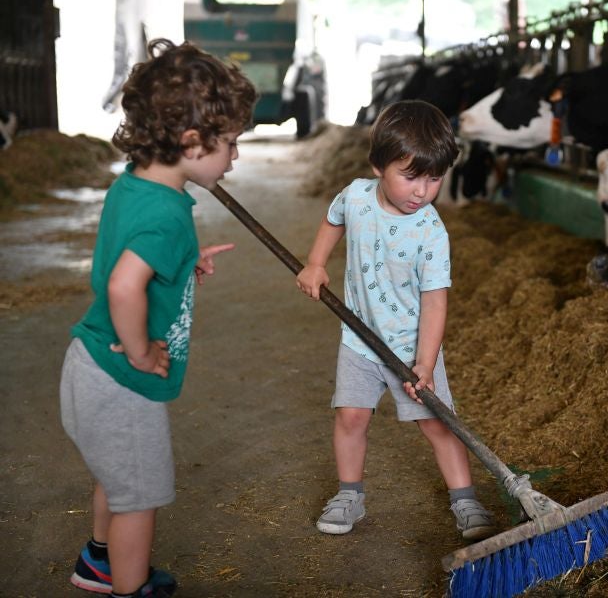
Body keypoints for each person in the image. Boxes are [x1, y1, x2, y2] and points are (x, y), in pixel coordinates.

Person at [60, 39, 256, 598]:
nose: (235, 157)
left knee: (116, 480)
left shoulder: (135, 183)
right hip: (121, 378)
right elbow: (124, 284)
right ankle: (130, 587)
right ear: (193, 143)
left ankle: (98, 562)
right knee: (139, 500)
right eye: (232, 144)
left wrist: (178, 263)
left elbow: (131, 254)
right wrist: (143, 352)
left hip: (88, 363)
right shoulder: (169, 215)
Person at [296, 99, 496, 541]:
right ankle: (350, 494)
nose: (422, 191)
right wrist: (315, 263)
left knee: (438, 424)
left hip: (412, 347)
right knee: (350, 417)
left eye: (434, 178)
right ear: (377, 167)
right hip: (359, 341)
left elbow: (436, 303)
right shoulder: (355, 196)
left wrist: (425, 362)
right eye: (410, 176)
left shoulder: (430, 232)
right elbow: (334, 220)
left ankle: (464, 499)